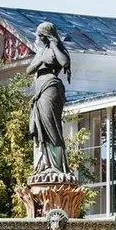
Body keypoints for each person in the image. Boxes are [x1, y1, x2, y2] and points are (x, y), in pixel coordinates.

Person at [27, 21, 71, 174]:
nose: (39, 39)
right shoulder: (41, 51)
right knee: (43, 131)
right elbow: (29, 70)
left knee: (52, 128)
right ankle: (45, 165)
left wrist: (53, 45)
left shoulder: (56, 49)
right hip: (40, 92)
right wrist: (40, 60)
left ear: (47, 35)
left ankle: (57, 167)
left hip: (51, 88)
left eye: (41, 35)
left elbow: (64, 62)